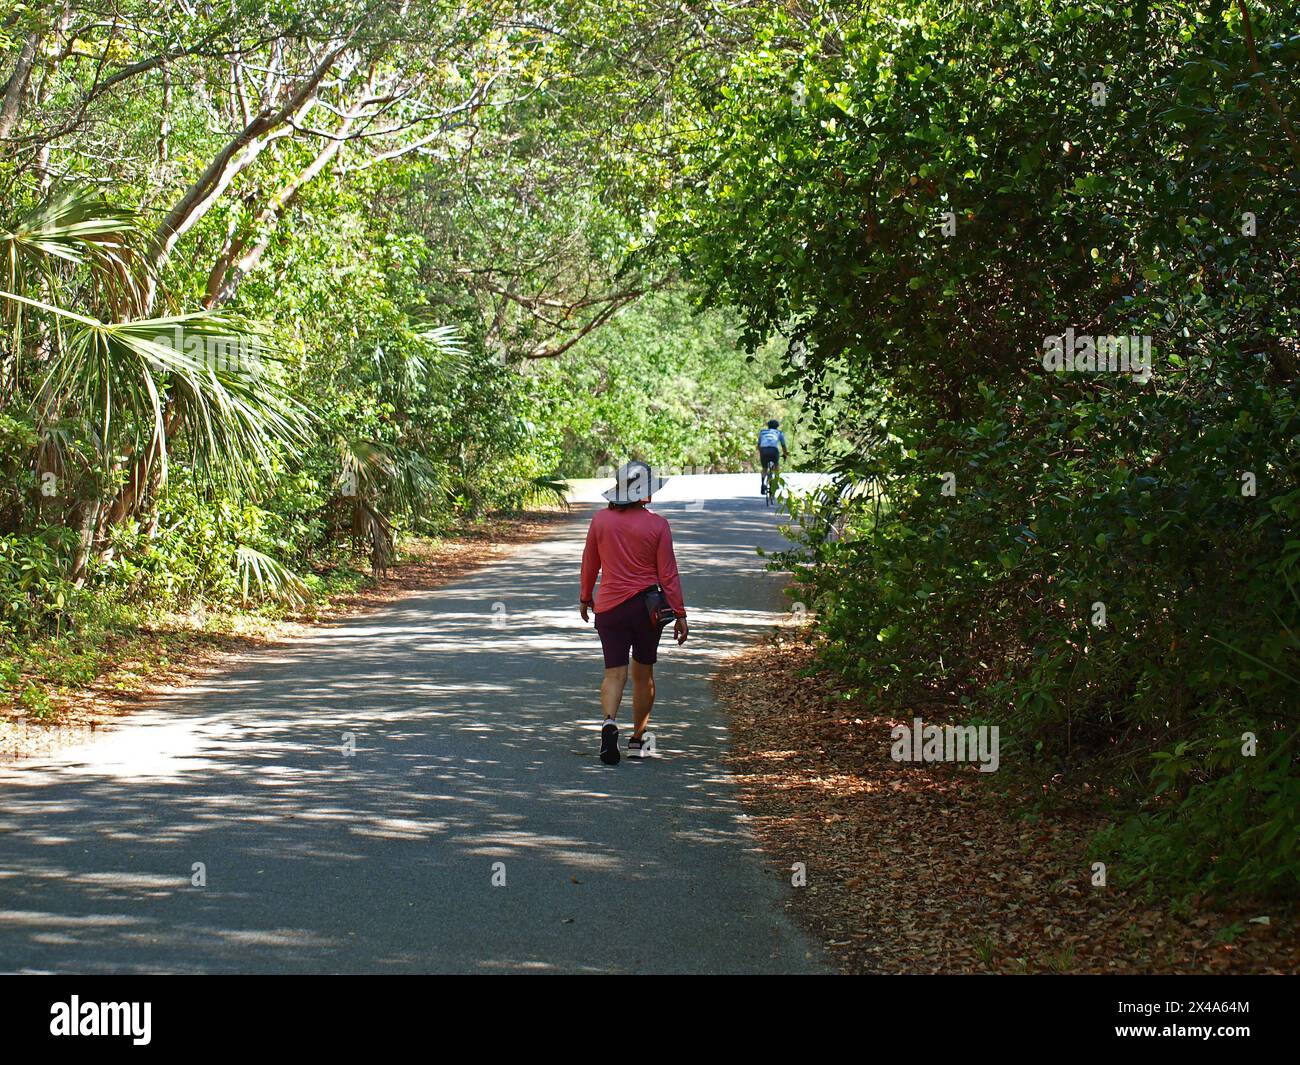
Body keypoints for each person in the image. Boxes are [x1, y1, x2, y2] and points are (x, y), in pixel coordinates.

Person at [579, 460, 688, 765]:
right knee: (643, 674)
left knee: (614, 672)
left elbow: (590, 563)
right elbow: (668, 575)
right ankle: (638, 740)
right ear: (645, 493)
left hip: (610, 608)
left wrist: (586, 597)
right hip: (646, 611)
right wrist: (680, 614)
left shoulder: (600, 521)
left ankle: (609, 721)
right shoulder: (658, 525)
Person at [757, 419, 789, 495]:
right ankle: (776, 482)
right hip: (773, 450)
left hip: (763, 450)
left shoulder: (762, 432)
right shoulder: (779, 432)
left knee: (764, 468)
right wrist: (785, 454)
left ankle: (762, 483)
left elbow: (758, 445)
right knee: (776, 466)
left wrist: (761, 453)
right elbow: (783, 445)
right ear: (777, 426)